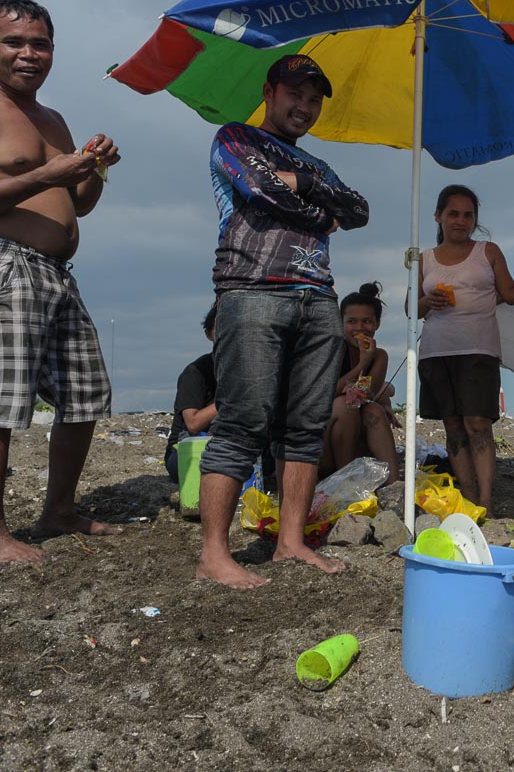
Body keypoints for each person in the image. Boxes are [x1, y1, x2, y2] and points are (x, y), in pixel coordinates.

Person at [0, 0, 122, 563]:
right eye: (14, 42)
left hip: (56, 272)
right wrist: (46, 173)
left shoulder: (52, 120)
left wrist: (94, 168)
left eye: (40, 44)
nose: (28, 54)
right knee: (1, 397)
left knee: (85, 394)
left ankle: (58, 510)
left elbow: (76, 204)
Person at [196, 54, 369, 590]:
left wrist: (304, 181)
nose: (305, 107)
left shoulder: (315, 164)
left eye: (314, 100)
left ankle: (290, 542)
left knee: (305, 427)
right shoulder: (235, 138)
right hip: (251, 291)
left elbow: (359, 210)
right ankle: (213, 554)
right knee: (242, 421)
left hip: (318, 298)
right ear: (269, 93)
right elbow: (261, 189)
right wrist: (320, 208)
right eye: (295, 94)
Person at [415, 185, 514, 513]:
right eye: (453, 214)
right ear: (438, 216)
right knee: (452, 425)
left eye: (468, 215)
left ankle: (486, 500)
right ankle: (468, 496)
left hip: (479, 348)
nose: (461, 221)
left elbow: (510, 293)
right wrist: (427, 301)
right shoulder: (424, 258)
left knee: (478, 422)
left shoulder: (487, 251)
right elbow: (411, 309)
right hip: (436, 350)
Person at [320, 282, 398, 483]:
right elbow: (323, 393)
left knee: (373, 410)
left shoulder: (379, 356)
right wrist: (361, 364)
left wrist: (383, 400)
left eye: (367, 321)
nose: (359, 328)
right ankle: (346, 481)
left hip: (355, 438)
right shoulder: (332, 351)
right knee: (345, 405)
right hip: (323, 442)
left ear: (377, 324)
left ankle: (394, 484)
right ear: (341, 323)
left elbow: (366, 395)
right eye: (352, 321)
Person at [164, 305, 218, 480]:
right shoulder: (195, 373)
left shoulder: (247, 371)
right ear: (208, 334)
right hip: (186, 450)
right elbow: (193, 423)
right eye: (220, 329)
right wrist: (232, 400)